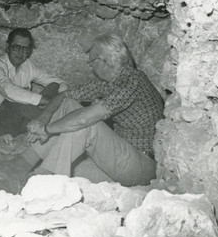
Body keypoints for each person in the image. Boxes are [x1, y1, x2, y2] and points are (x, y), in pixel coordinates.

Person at [24, 33, 164, 186]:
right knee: (69, 105)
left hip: (141, 167)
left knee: (86, 125)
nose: (91, 67)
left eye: (91, 61)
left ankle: (44, 182)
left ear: (104, 61)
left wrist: (47, 129)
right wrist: (43, 119)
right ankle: (21, 163)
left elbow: (84, 119)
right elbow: (64, 96)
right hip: (117, 164)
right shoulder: (109, 83)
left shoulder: (132, 80)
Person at [0, 28, 67, 139]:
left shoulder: (27, 65)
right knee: (15, 102)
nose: (21, 53)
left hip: (20, 120)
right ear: (8, 47)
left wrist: (61, 97)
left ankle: (47, 123)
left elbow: (57, 82)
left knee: (54, 86)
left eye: (25, 49)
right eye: (17, 47)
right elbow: (9, 91)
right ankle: (60, 122)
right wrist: (46, 101)